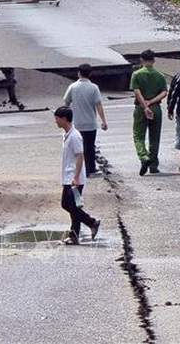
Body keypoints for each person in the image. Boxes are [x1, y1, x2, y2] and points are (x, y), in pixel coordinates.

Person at [54, 106, 101, 246]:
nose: (55, 121)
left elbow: (80, 156)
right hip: (68, 176)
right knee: (66, 204)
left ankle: (76, 234)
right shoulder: (67, 134)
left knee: (73, 207)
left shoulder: (75, 136)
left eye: (57, 118)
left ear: (64, 119)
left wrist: (75, 177)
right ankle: (91, 223)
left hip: (74, 177)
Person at [63, 63, 108, 177]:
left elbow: (66, 102)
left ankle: (80, 169)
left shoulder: (73, 87)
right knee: (90, 147)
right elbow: (98, 104)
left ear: (79, 73)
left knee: (79, 148)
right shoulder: (94, 87)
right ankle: (91, 168)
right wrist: (103, 121)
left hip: (77, 123)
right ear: (90, 74)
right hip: (90, 123)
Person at [130, 49, 168, 176]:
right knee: (155, 137)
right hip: (156, 107)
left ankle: (143, 156)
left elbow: (137, 91)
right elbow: (164, 92)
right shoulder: (160, 75)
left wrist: (145, 105)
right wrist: (151, 102)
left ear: (141, 59)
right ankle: (153, 164)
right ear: (154, 60)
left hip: (141, 108)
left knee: (138, 135)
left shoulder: (137, 74)